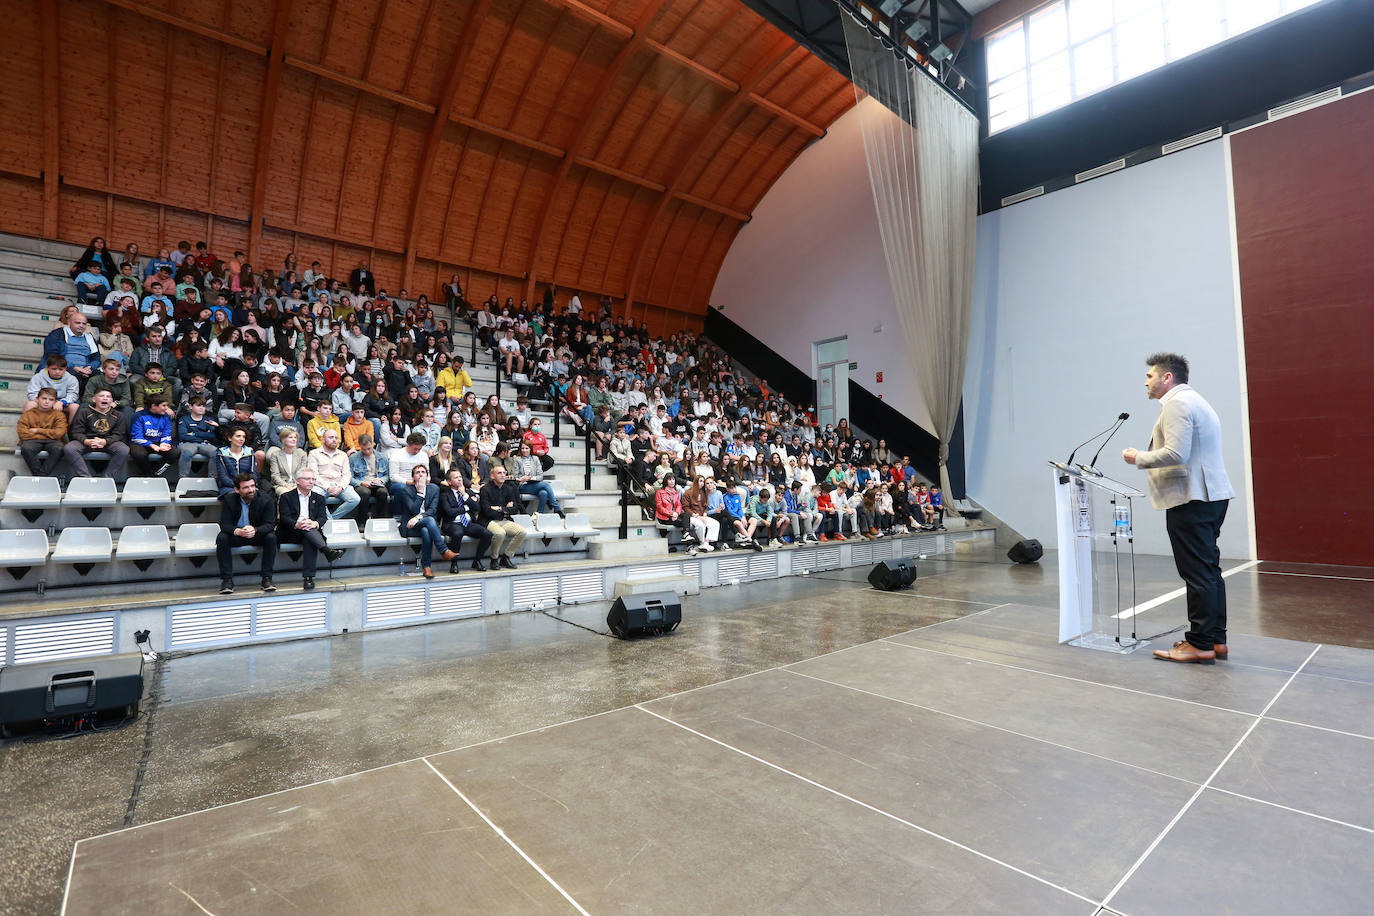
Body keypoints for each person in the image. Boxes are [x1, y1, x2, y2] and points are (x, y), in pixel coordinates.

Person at [1122, 353, 1236, 664]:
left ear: (1167, 378)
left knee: (1197, 573)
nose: (1146, 382)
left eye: (1150, 376)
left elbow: (1175, 453)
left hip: (1192, 498)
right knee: (1208, 571)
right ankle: (1215, 639)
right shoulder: (1196, 401)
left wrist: (1138, 458)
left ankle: (1199, 643)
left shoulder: (1178, 404)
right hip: (1209, 496)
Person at [276, 467, 345, 590]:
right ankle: (325, 553)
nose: (311, 482)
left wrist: (314, 523)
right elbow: (284, 518)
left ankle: (309, 577)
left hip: (311, 532)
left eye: (313, 479)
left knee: (308, 535)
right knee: (306, 528)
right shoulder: (286, 497)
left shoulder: (319, 498)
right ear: (297, 481)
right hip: (291, 532)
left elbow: (322, 518)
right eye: (307, 479)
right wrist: (297, 524)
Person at [216, 473, 278, 594]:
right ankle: (227, 580)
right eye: (246, 487)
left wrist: (255, 530)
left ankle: (267, 578)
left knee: (271, 537)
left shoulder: (266, 499)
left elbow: (270, 525)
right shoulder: (229, 499)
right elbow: (224, 524)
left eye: (252, 486)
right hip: (238, 535)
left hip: (257, 534)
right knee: (222, 538)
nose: (251, 490)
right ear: (237, 490)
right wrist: (238, 531)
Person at [392, 464, 457, 578]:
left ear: (427, 476)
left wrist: (418, 517)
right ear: (413, 477)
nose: (421, 474)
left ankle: (427, 568)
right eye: (417, 472)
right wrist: (420, 493)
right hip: (410, 527)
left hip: (425, 524)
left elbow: (432, 510)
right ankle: (442, 550)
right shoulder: (406, 490)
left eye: (423, 472)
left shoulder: (434, 488)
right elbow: (413, 510)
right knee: (430, 521)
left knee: (427, 530)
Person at [63, 389, 130, 480]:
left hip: (108, 442)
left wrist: (105, 441)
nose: (105, 398)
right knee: (70, 448)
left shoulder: (118, 415)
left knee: (123, 449)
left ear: (111, 401)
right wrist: (86, 441)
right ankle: (86, 478)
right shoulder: (84, 412)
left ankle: (108, 479)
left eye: (108, 397)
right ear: (94, 399)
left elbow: (119, 434)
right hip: (87, 441)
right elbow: (76, 432)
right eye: (102, 396)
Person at [438, 468, 492, 573]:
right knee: (458, 533)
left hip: (468, 523)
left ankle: (477, 560)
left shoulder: (468, 491)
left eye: (460, 477)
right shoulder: (444, 494)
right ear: (449, 482)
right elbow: (449, 512)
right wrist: (466, 507)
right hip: (452, 523)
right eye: (456, 477)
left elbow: (477, 508)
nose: (459, 479)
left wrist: (465, 495)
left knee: (487, 534)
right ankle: (454, 563)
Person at [477, 464, 527, 569]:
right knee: (500, 533)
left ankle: (506, 557)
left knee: (522, 532)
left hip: (504, 520)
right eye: (499, 473)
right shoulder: (485, 489)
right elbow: (487, 511)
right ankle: (494, 559)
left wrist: (499, 509)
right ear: (492, 476)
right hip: (489, 520)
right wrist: (505, 509)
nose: (503, 475)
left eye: (504, 473)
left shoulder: (509, 489)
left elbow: (515, 509)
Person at [306, 428, 361, 519]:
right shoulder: (314, 454)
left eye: (336, 437)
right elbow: (314, 474)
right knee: (314, 496)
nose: (334, 439)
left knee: (355, 499)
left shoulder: (343, 455)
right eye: (331, 437)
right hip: (321, 485)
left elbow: (347, 475)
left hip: (339, 484)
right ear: (323, 440)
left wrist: (341, 487)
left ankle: (331, 520)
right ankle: (329, 521)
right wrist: (328, 487)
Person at [18, 387, 68, 476]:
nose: (47, 402)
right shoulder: (28, 414)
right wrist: (49, 433)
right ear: (37, 399)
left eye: (51, 399)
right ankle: (41, 476)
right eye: (44, 398)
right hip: (33, 441)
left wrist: (37, 430)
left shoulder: (59, 415)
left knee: (59, 449)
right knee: (26, 448)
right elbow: (23, 433)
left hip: (53, 441)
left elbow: (59, 433)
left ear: (55, 402)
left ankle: (40, 476)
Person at [128, 396, 179, 476]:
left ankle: (153, 474)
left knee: (175, 452)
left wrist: (164, 443)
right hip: (140, 443)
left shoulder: (166, 416)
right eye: (164, 405)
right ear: (154, 406)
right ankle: (147, 474)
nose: (166, 408)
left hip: (158, 442)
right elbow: (136, 438)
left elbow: (167, 434)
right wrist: (151, 445)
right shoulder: (139, 416)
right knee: (139, 454)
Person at [349, 434, 391, 520]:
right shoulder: (353, 458)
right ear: (360, 446)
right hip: (362, 483)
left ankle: (380, 519)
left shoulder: (382, 457)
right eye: (364, 449)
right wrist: (361, 483)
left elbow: (387, 475)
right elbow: (349, 478)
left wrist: (381, 480)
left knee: (383, 492)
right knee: (364, 492)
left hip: (377, 483)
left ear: (373, 444)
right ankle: (362, 520)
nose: (367, 451)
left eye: (369, 448)